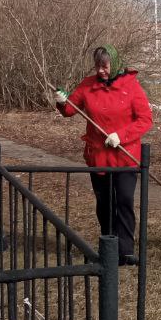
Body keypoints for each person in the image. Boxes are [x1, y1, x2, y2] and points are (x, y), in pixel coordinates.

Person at [55, 45, 152, 265]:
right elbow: (70, 110)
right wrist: (62, 101)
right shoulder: (88, 86)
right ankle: (109, 250)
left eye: (105, 66)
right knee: (105, 202)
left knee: (124, 200)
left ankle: (125, 251)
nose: (100, 70)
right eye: (97, 66)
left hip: (126, 156)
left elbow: (145, 120)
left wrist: (122, 135)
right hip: (98, 156)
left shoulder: (131, 87)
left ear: (114, 65)